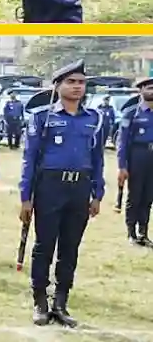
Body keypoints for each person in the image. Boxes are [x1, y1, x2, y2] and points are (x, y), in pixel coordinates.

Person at [19, 60, 104, 327]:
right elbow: (30, 158)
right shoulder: (42, 117)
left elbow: (97, 159)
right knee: (44, 246)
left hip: (79, 188)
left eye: (81, 82)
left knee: (70, 248)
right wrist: (25, 196)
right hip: (50, 187)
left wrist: (97, 193)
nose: (77, 87)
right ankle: (40, 302)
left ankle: (60, 302)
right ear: (57, 86)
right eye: (71, 82)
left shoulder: (94, 118)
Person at [117, 77, 153, 245]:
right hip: (138, 156)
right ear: (141, 90)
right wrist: (122, 165)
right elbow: (122, 142)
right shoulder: (131, 113)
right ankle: (131, 233)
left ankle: (143, 232)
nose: (152, 91)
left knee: (148, 197)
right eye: (149, 88)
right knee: (135, 196)